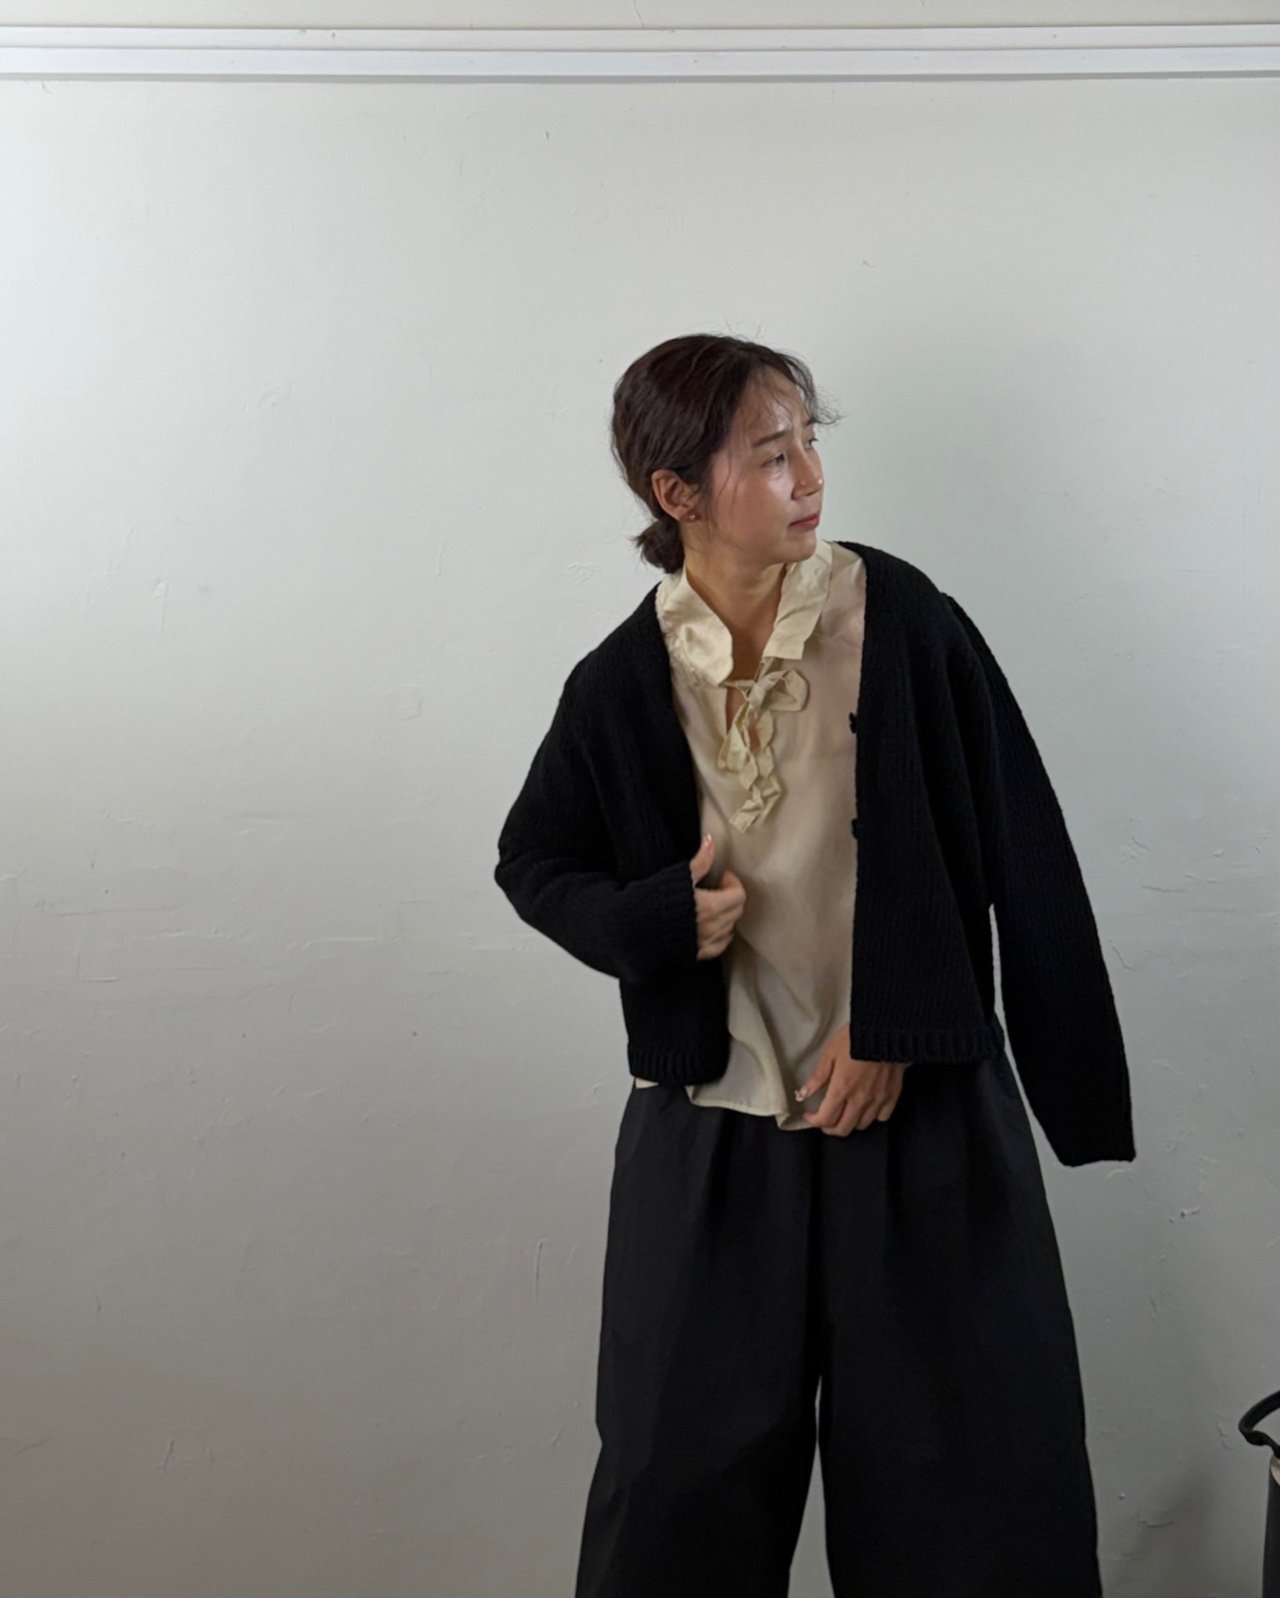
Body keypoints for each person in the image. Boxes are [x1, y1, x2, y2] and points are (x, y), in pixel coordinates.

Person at [494, 332, 1136, 1598]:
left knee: (967, 1505)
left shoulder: (902, 619)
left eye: (808, 443)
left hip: (919, 1119)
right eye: (769, 453)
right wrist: (653, 921)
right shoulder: (620, 681)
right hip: (709, 1133)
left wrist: (906, 1021)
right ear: (678, 492)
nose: (809, 476)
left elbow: (1017, 842)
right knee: (672, 1499)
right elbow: (535, 861)